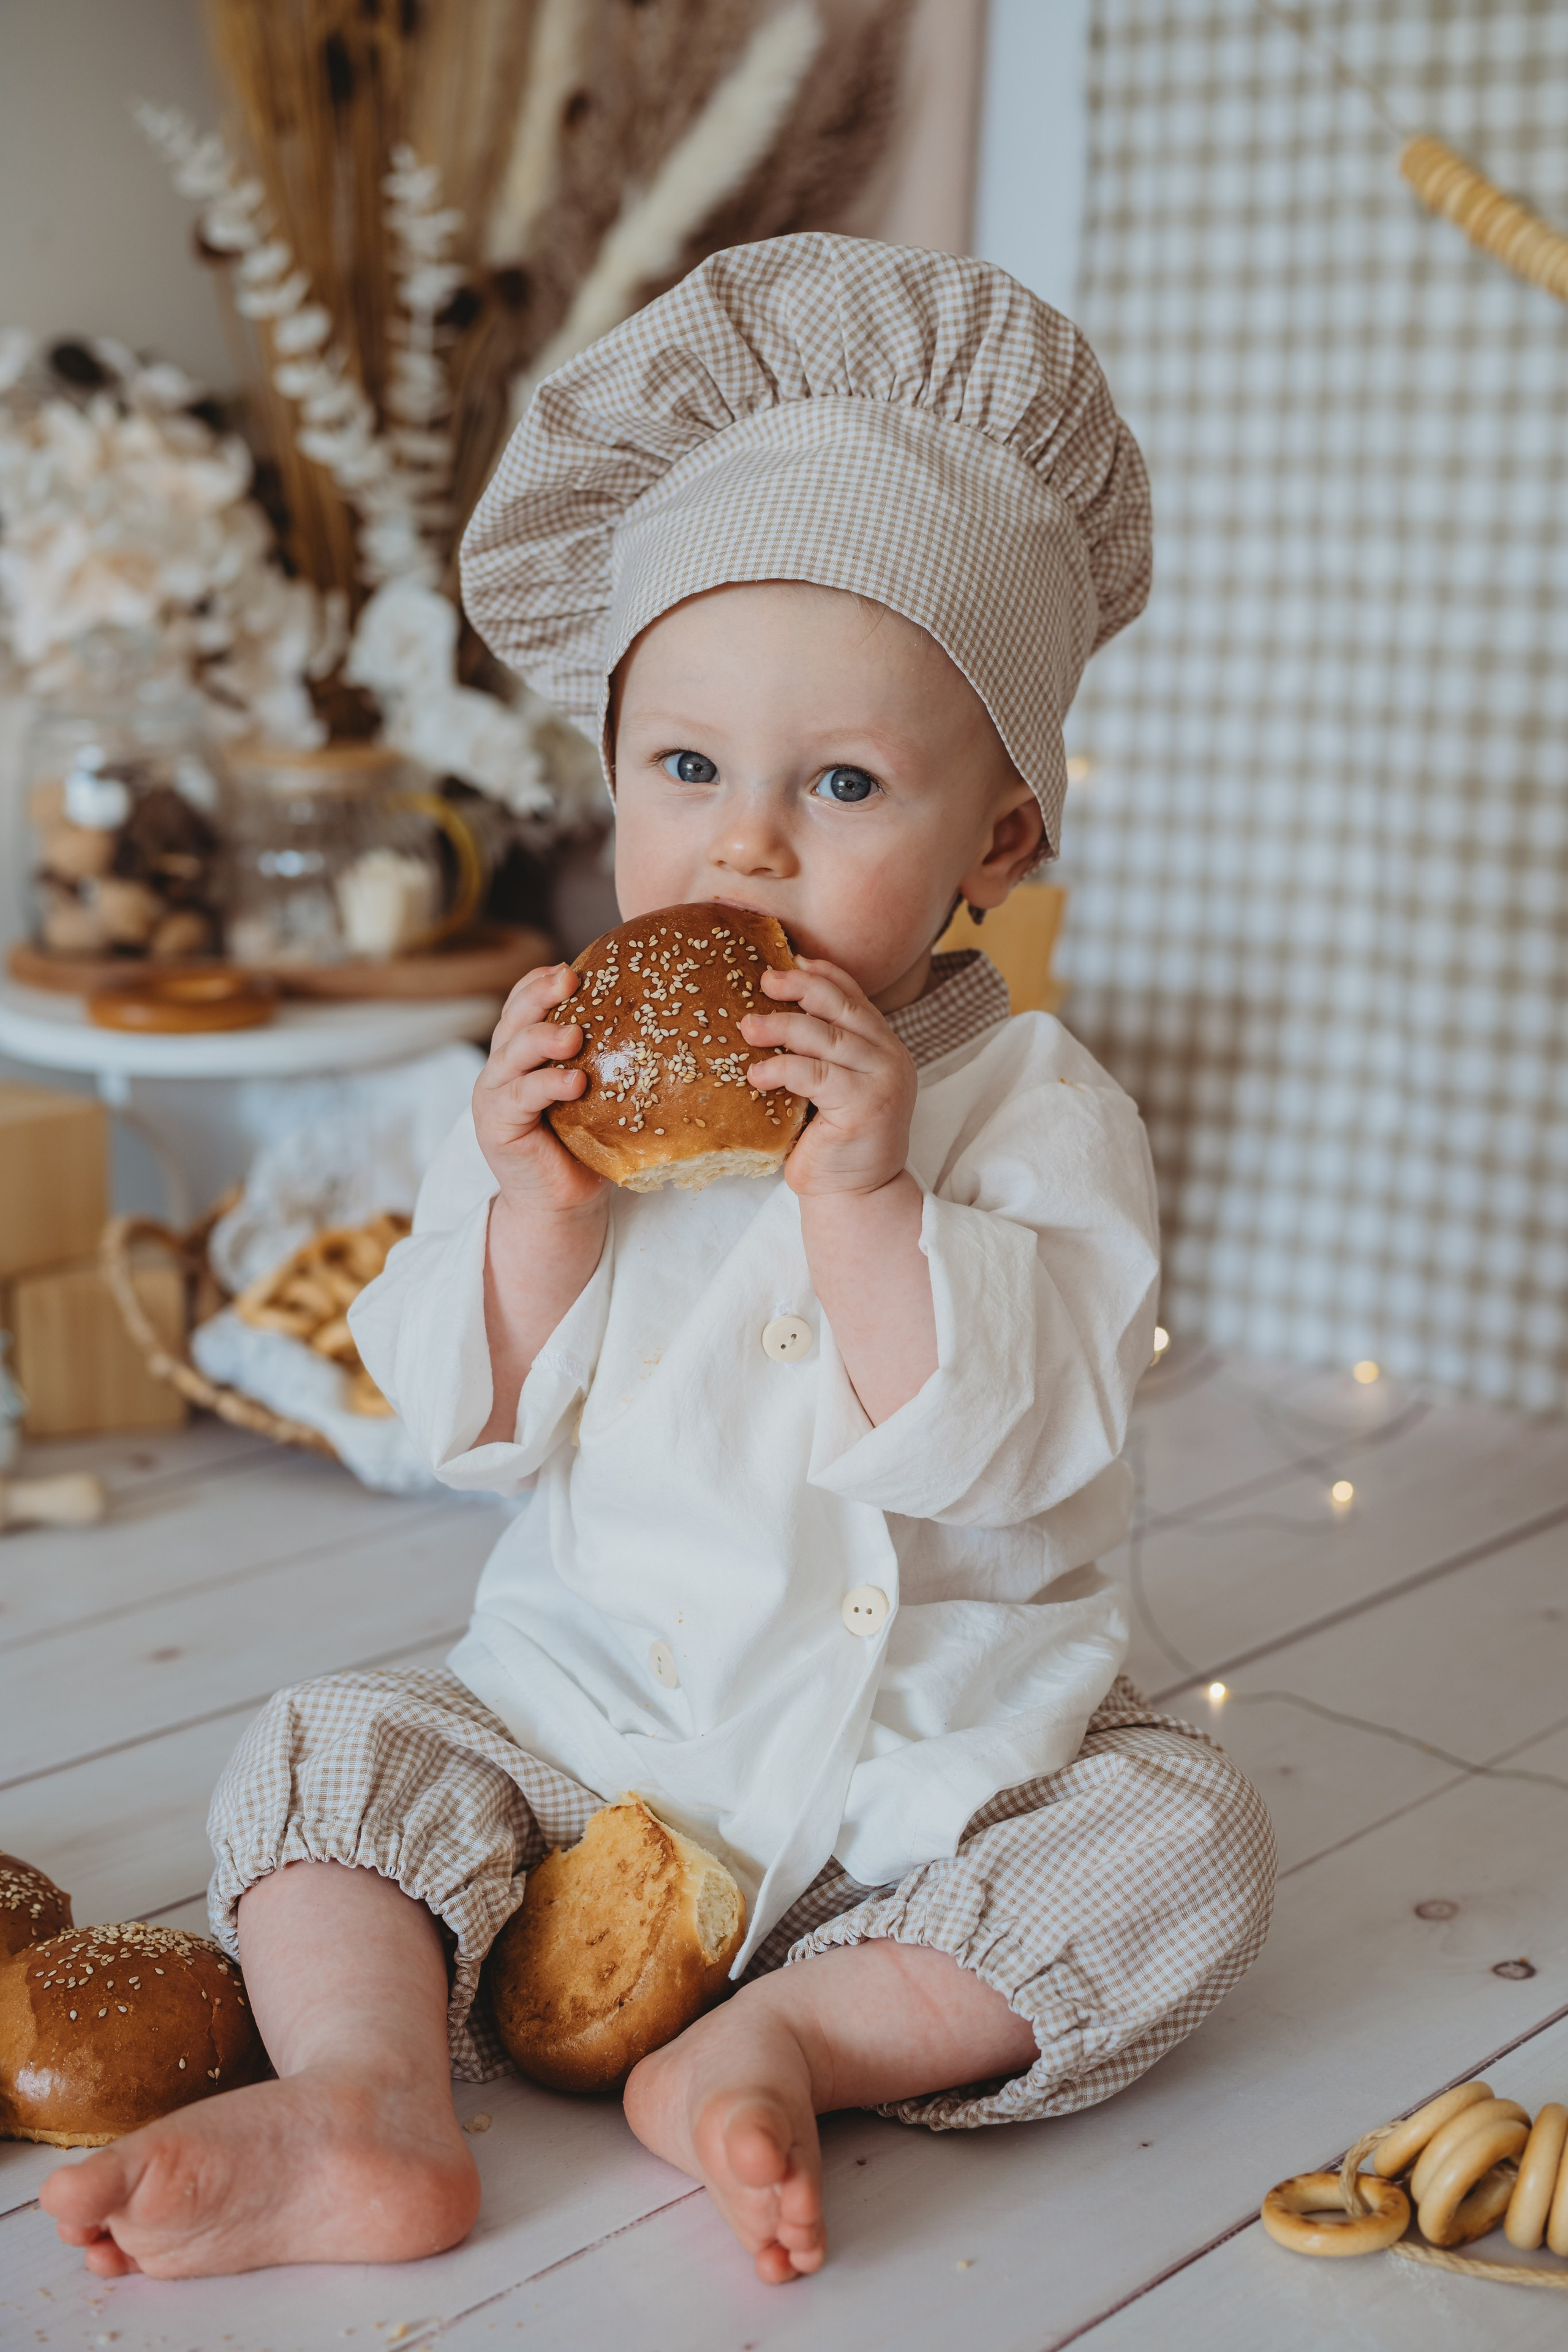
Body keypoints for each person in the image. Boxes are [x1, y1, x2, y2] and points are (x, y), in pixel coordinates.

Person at [42, 235, 1274, 2286]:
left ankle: (789, 2035)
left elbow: (1024, 1441)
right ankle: (365, 2096)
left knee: (1188, 1850)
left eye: (848, 785)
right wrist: (532, 1209)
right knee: (331, 1743)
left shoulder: (1034, 1108)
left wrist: (869, 1198)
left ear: (1002, 840)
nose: (748, 847)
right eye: (685, 769)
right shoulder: (564, 1085)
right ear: (611, 779)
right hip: (584, 1720)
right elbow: (458, 1416)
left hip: (929, 1765)